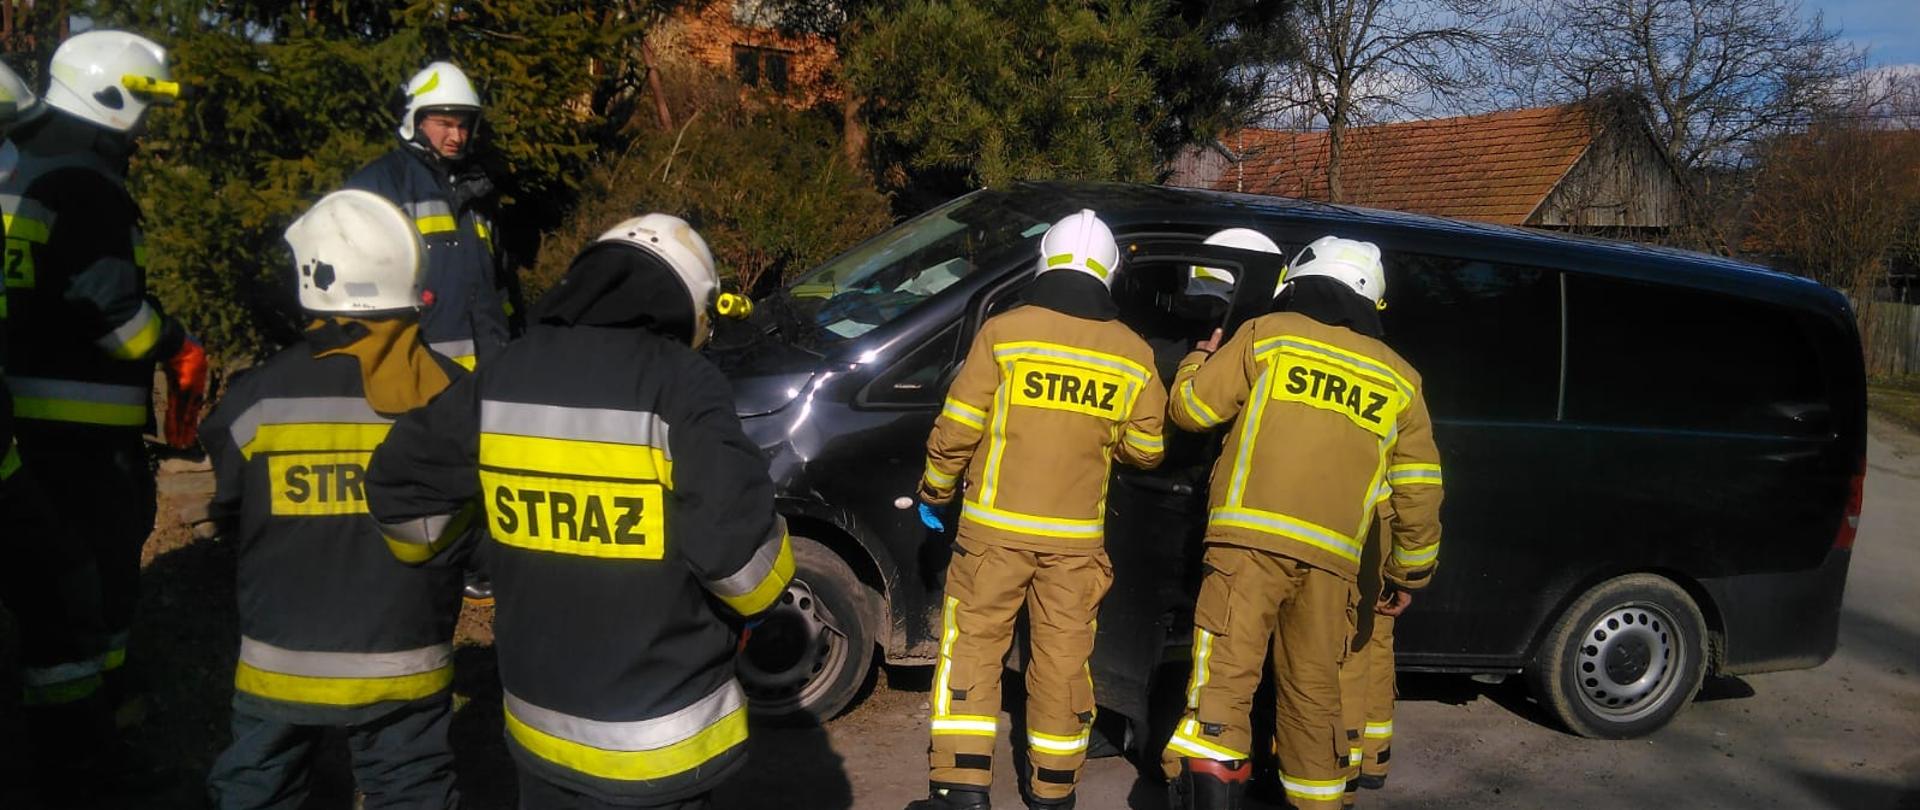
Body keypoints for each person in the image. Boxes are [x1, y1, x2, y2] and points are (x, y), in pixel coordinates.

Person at [365, 213, 789, 809]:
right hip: (661, 745)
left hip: (542, 736)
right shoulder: (682, 383)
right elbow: (746, 573)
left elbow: (401, 495)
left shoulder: (502, 373)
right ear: (688, 305)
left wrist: (483, 548)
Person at [200, 190, 466, 809]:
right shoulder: (451, 391)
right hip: (405, 657)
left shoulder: (261, 395)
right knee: (411, 787)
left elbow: (227, 495)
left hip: (280, 658)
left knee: (259, 784)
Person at [1159, 236, 1442, 810]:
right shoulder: (1401, 379)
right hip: (1333, 566)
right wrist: (1407, 576)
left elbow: (1193, 411)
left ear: (1300, 280)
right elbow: (1420, 494)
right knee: (1314, 702)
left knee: (1224, 690)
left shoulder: (1268, 335)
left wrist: (1197, 359)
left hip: (1246, 548)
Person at [909, 209, 1168, 810]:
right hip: (1075, 547)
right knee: (1061, 664)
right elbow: (1149, 449)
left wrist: (935, 489)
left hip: (991, 535)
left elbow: (960, 425)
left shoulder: (1006, 331)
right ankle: (1053, 792)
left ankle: (960, 789)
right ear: (1109, 273)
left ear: (1045, 261)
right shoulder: (1132, 351)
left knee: (972, 651)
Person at [1, 29, 209, 726]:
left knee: (45, 581)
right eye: (143, 105)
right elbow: (120, 324)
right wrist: (177, 342)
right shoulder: (89, 184)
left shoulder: (24, 162)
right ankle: (89, 731)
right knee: (94, 579)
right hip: (87, 441)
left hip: (18, 423)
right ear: (113, 96)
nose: (147, 124)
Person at [344, 60, 518, 373]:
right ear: (417, 121)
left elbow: (501, 283)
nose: (457, 136)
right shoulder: (381, 185)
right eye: (445, 124)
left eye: (463, 125)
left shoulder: (478, 189)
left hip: (491, 371)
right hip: (419, 375)